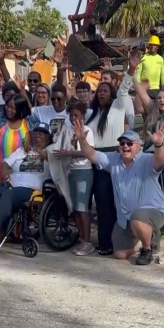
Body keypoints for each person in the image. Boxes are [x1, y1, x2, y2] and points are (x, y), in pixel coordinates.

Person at [74, 124, 164, 266]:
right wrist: (82, 140)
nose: (125, 146)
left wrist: (159, 144)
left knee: (138, 218)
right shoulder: (114, 159)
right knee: (119, 254)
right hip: (126, 216)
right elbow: (91, 154)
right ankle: (147, 236)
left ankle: (147, 249)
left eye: (129, 143)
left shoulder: (146, 159)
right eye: (122, 143)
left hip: (154, 210)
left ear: (139, 147)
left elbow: (160, 160)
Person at [87, 51, 136, 256]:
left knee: (120, 202)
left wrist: (131, 69)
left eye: (106, 90)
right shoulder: (92, 114)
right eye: (99, 91)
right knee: (103, 204)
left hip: (114, 157)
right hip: (97, 159)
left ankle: (125, 242)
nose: (102, 93)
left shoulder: (118, 106)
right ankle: (105, 243)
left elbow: (124, 87)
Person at [53, 101, 96, 256]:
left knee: (83, 207)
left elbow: (88, 152)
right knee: (75, 208)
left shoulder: (87, 131)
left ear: (83, 116)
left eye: (76, 115)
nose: (73, 119)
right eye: (71, 116)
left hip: (83, 171)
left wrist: (67, 153)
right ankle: (82, 238)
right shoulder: (67, 130)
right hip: (72, 171)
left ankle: (88, 242)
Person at [0, 94, 37, 186]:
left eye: (12, 108)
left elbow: (37, 144)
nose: (8, 109)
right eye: (7, 106)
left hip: (21, 174)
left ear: (20, 109)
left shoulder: (29, 122)